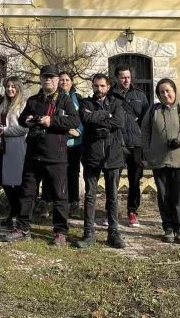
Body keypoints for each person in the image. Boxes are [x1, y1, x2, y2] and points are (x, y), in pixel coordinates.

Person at [2, 65, 79, 247]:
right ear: (41, 79)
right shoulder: (33, 100)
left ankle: (60, 232)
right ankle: (22, 229)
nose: (48, 80)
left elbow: (74, 120)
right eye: (45, 77)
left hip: (56, 155)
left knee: (59, 195)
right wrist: (28, 120)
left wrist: (52, 121)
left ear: (57, 80)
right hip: (33, 154)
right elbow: (22, 119)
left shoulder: (64, 100)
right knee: (27, 193)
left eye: (51, 77)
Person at [141, 78, 180, 245]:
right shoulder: (153, 111)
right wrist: (147, 152)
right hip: (160, 161)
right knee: (164, 196)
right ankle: (168, 228)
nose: (165, 94)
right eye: (161, 92)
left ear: (175, 91)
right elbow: (144, 133)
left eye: (168, 90)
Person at [75, 73, 127, 249]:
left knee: (112, 196)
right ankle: (88, 233)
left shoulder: (117, 103)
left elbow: (119, 122)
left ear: (108, 87)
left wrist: (99, 118)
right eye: (96, 85)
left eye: (102, 86)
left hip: (113, 155)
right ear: (92, 86)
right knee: (90, 196)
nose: (99, 89)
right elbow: (86, 119)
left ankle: (114, 232)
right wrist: (106, 115)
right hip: (91, 155)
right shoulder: (85, 103)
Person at [108, 65, 150, 227]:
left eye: (128, 77)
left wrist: (145, 142)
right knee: (113, 180)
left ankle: (132, 211)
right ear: (116, 78)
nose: (126, 80)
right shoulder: (109, 95)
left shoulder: (140, 95)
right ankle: (111, 212)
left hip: (136, 144)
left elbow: (147, 120)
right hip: (116, 143)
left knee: (135, 180)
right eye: (123, 77)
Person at [0, 76, 28, 227]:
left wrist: (5, 130)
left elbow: (24, 128)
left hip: (17, 146)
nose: (10, 89)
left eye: (13, 86)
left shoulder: (23, 105)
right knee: (5, 181)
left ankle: (18, 214)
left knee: (16, 182)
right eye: (8, 86)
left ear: (18, 88)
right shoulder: (3, 104)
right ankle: (13, 211)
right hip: (4, 146)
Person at [58, 71, 83, 215]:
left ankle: (73, 203)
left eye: (67, 80)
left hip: (74, 143)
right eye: (62, 80)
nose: (64, 82)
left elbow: (83, 118)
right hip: (58, 142)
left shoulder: (78, 99)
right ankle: (54, 202)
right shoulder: (54, 97)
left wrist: (79, 131)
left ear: (71, 82)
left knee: (73, 174)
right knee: (57, 174)